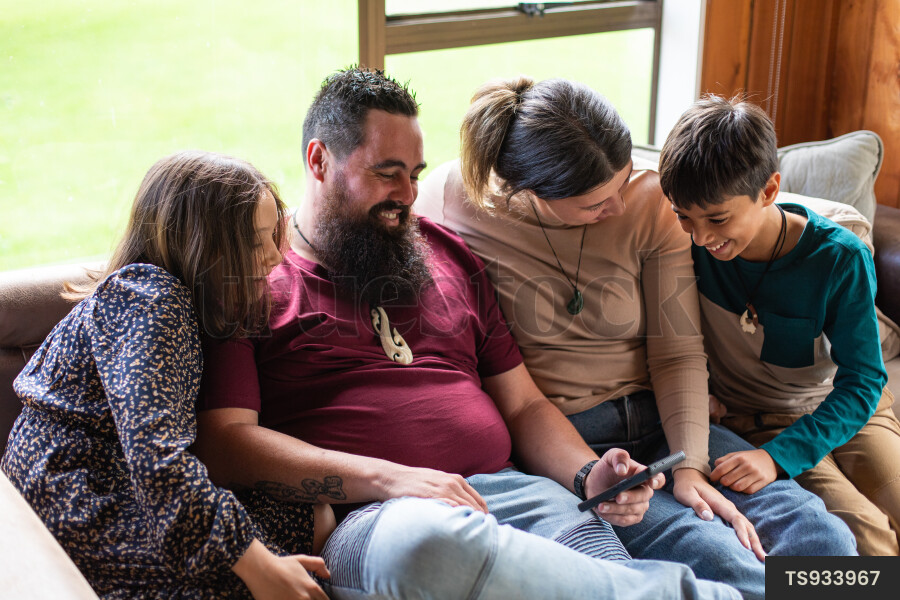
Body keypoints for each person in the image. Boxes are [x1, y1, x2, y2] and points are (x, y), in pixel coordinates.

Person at [194, 67, 741, 600]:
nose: (408, 194)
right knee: (426, 547)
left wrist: (585, 477)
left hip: (516, 494)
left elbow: (524, 405)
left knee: (694, 555)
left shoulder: (446, 253)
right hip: (377, 515)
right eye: (388, 173)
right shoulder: (254, 277)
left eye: (415, 173)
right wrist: (394, 480)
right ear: (319, 160)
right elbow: (226, 443)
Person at [415, 76, 858, 600]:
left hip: (663, 423)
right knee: (728, 562)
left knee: (824, 539)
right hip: (570, 444)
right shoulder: (450, 201)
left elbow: (677, 352)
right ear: (530, 192)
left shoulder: (647, 203)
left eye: (622, 182)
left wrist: (690, 464)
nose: (617, 207)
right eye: (596, 203)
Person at [1, 151, 333, 599]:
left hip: (111, 487)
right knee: (288, 583)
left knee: (310, 514)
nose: (276, 258)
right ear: (204, 246)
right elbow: (155, 455)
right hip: (75, 499)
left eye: (274, 235)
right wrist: (257, 566)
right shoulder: (151, 299)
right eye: (257, 242)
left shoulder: (175, 305)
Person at [658, 94, 900, 555]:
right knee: (866, 540)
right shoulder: (679, 246)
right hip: (756, 418)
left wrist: (779, 457)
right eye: (684, 217)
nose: (702, 237)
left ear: (769, 191)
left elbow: (865, 379)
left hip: (848, 409)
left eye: (718, 218)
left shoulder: (838, 257)